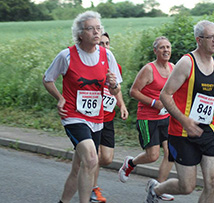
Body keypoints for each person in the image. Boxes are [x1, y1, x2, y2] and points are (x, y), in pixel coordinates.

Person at [145, 20, 214, 203]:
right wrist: (184, 120)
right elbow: (165, 95)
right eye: (211, 37)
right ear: (199, 40)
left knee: (213, 182)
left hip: (208, 129)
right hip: (182, 132)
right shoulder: (186, 63)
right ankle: (156, 189)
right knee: (187, 187)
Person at [42, 11, 122, 203]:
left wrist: (113, 85)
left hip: (96, 118)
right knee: (92, 159)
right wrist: (60, 98)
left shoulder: (107, 55)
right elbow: (48, 79)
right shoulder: (66, 56)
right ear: (80, 34)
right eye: (91, 29)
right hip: (73, 115)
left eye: (98, 28)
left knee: (79, 167)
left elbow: (116, 89)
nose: (96, 32)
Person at [118, 36, 175, 201]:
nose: (166, 50)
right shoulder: (149, 69)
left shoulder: (173, 67)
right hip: (148, 118)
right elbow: (133, 91)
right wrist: (153, 103)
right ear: (155, 51)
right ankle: (130, 164)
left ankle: (159, 187)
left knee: (171, 153)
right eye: (162, 47)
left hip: (167, 116)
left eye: (168, 47)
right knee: (153, 156)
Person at [90, 32, 129, 203]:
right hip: (90, 118)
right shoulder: (90, 65)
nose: (104, 47)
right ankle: (93, 188)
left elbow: (116, 89)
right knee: (93, 155)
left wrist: (122, 105)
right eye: (101, 44)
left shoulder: (114, 65)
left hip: (107, 117)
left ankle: (86, 168)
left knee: (106, 158)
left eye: (107, 44)